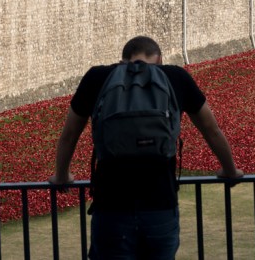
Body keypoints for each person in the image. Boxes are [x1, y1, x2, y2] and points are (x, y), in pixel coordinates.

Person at [49, 35, 242, 260]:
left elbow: (69, 134)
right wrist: (230, 170)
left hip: (111, 207)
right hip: (160, 205)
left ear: (122, 60)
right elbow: (211, 130)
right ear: (159, 59)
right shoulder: (175, 76)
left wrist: (61, 175)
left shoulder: (98, 77)